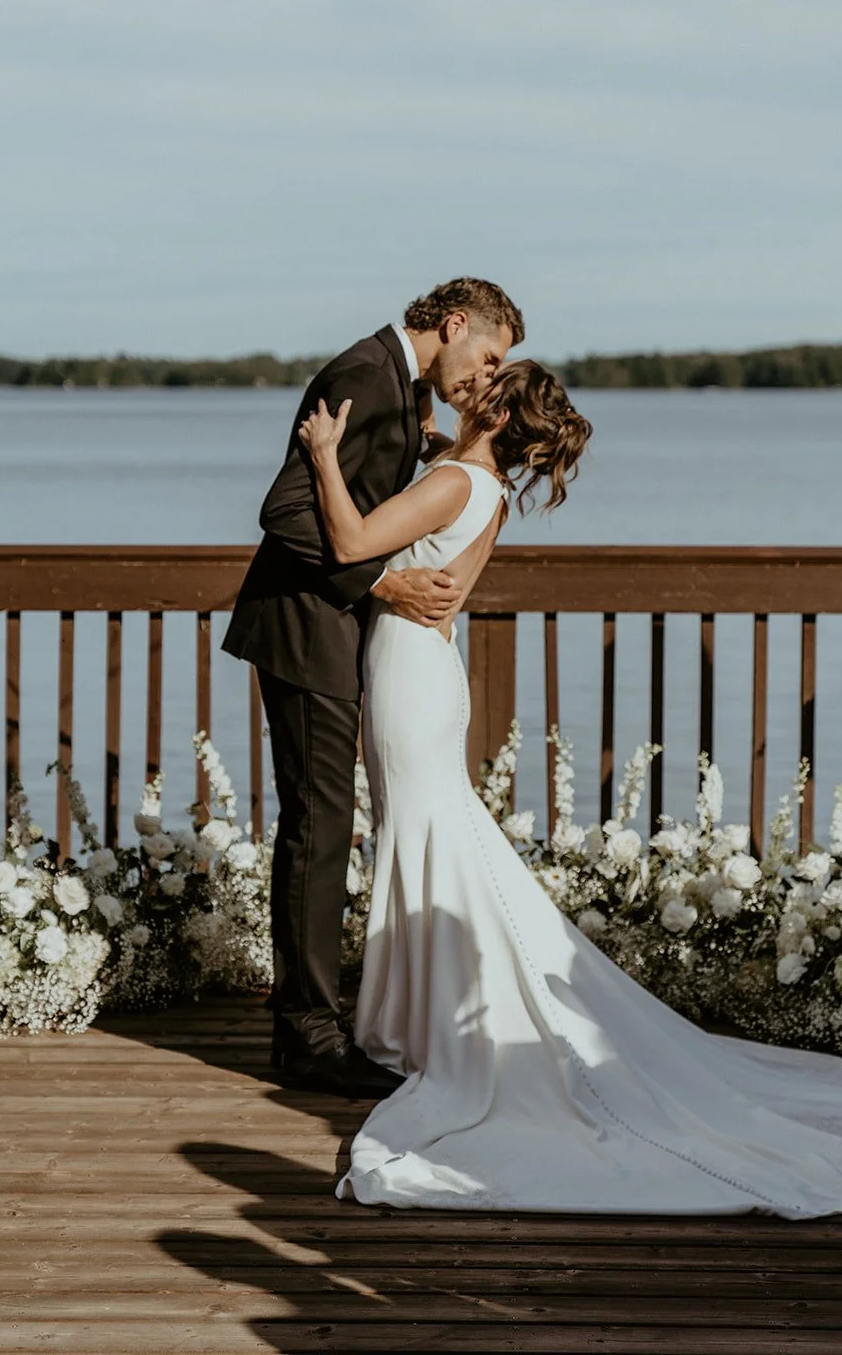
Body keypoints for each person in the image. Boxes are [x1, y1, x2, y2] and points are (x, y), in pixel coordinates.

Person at [299, 361, 842, 1219]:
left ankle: (425, 1024)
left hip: (408, 672)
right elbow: (446, 483)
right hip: (425, 672)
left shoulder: (449, 483)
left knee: (429, 836)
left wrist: (327, 455)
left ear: (500, 408)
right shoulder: (484, 485)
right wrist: (438, 433)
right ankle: (419, 1014)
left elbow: (354, 546)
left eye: (490, 377)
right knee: (433, 836)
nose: (475, 379)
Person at [221, 278, 524, 1096]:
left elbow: (357, 494)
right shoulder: (362, 375)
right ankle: (308, 1036)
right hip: (304, 629)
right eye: (489, 355)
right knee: (319, 828)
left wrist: (426, 449)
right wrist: (386, 587)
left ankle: (318, 1019)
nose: (489, 376)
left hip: (333, 630)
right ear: (454, 324)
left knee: (323, 823)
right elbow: (285, 512)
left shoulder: (394, 385)